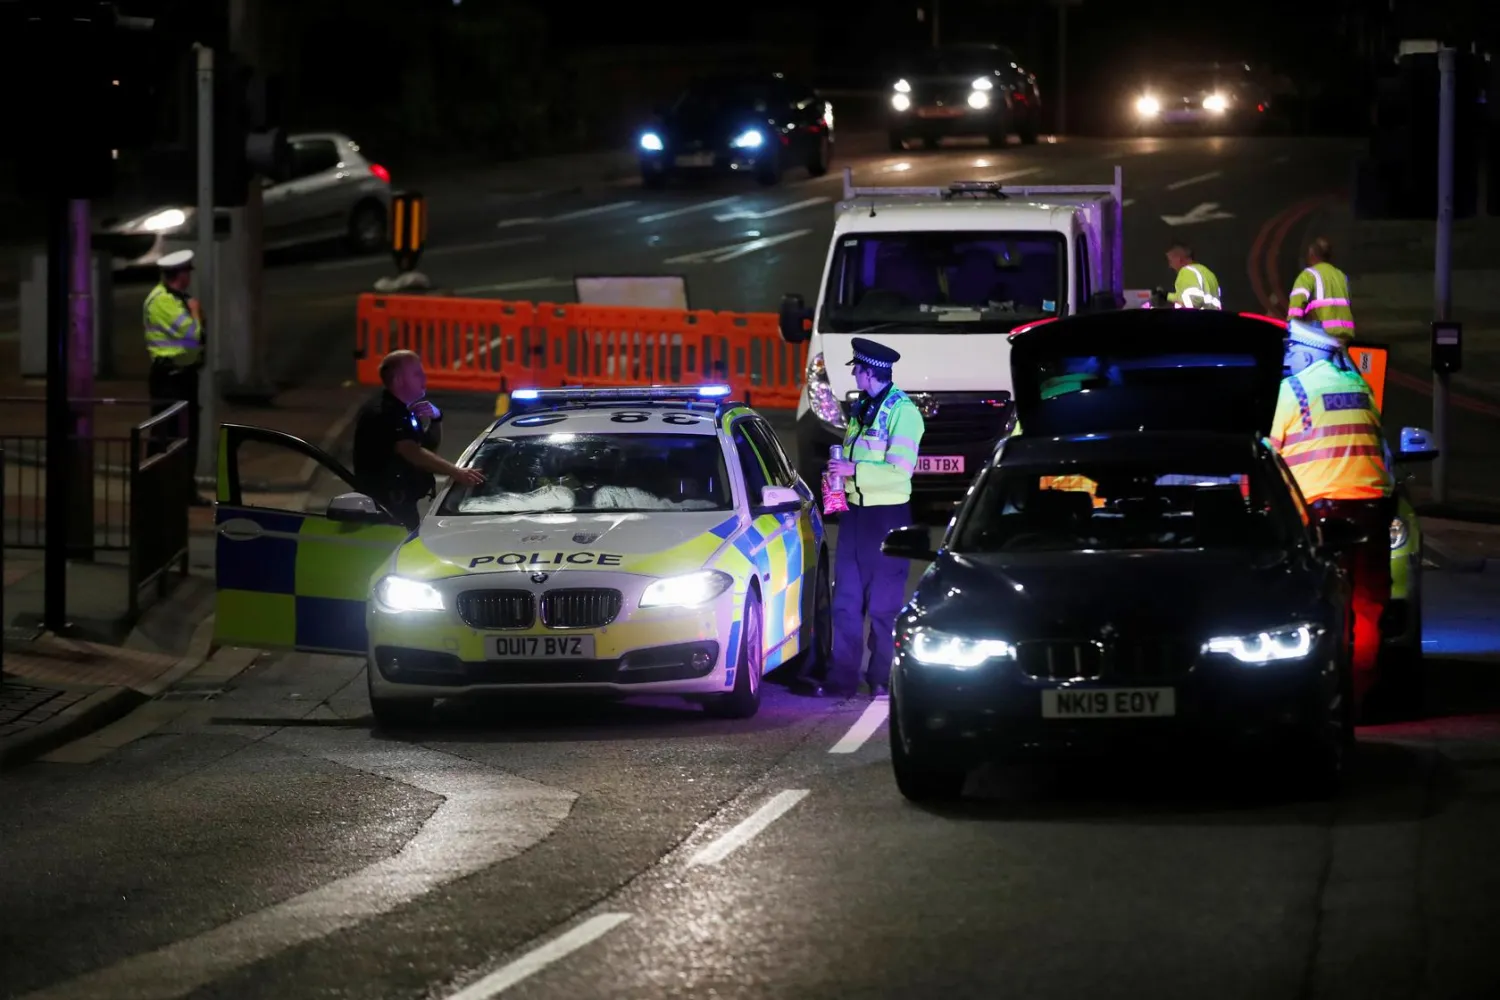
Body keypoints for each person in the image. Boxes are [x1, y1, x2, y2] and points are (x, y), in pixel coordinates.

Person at [1269, 319, 1393, 706]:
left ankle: (1325, 696)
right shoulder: (1360, 388)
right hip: (1373, 511)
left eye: (1291, 352)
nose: (1287, 359)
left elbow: (1267, 453)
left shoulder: (1293, 391)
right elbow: (1381, 450)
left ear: (1307, 353)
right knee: (1368, 606)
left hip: (1320, 516)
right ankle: (1359, 697)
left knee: (1319, 606)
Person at [811, 337, 925, 699]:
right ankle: (841, 679)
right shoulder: (863, 407)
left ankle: (881, 677)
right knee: (845, 600)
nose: (854, 376)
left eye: (856, 370)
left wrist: (853, 469)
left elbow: (901, 471)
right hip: (856, 514)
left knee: (883, 605)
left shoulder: (902, 412)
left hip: (887, 518)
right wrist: (837, 477)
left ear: (869, 372)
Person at [352, 350, 484, 530]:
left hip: (400, 506)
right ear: (398, 380)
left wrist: (436, 418)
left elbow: (428, 447)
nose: (424, 378)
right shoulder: (384, 413)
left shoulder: (402, 412)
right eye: (417, 374)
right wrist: (457, 472)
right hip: (384, 512)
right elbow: (412, 451)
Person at [143, 250, 205, 485]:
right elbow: (193, 335)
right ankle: (154, 489)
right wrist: (196, 312)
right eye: (187, 272)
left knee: (186, 436)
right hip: (169, 379)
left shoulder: (176, 297)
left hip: (183, 376)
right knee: (165, 436)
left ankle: (184, 490)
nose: (189, 277)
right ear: (180, 274)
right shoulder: (163, 301)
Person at [1285, 237, 1354, 342]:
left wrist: (1291, 328)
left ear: (1312, 255)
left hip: (1322, 334)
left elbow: (1297, 305)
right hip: (1345, 335)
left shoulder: (1308, 275)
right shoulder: (1341, 276)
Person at [1164, 243, 1222, 309]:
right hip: (1215, 317)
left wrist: (1166, 296)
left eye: (1170, 261)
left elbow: (1193, 301)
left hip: (1196, 318)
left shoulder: (1186, 271)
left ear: (1178, 259)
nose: (1170, 265)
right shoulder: (1208, 273)